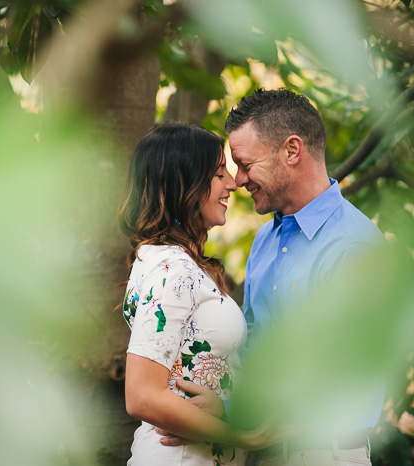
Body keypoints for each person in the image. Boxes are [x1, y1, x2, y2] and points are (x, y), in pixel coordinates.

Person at [159, 89, 385, 466]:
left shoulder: (353, 245)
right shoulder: (266, 239)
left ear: (292, 151)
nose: (238, 180)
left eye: (245, 164)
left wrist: (229, 414)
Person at [118, 122, 290, 466]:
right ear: (184, 182)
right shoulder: (171, 268)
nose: (232, 184)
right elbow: (141, 395)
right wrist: (243, 437)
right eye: (218, 174)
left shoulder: (178, 265)